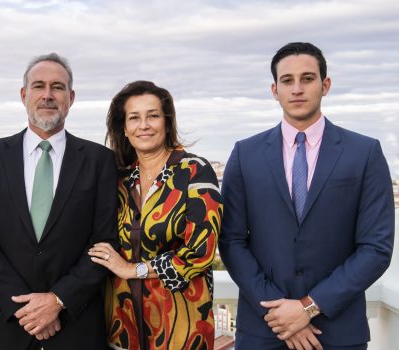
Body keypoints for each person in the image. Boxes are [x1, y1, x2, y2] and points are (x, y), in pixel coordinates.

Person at [219, 42, 394, 350]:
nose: (297, 88)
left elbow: (376, 247)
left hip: (337, 334)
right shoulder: (245, 154)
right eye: (287, 80)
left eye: (308, 78)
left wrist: (309, 307)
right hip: (264, 331)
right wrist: (279, 313)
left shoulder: (364, 153)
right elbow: (231, 241)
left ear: (325, 85)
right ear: (275, 90)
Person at [0, 53, 118, 350]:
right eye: (39, 86)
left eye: (57, 87)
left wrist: (58, 300)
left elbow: (105, 242)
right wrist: (27, 310)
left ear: (71, 98)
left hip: (77, 329)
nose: (48, 95)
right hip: (8, 328)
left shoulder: (99, 161)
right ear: (24, 95)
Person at [89, 80, 222, 349]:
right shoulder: (119, 179)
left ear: (167, 122)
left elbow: (200, 252)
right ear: (124, 128)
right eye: (134, 118)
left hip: (182, 330)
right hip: (122, 329)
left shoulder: (194, 171)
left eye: (153, 116)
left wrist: (131, 269)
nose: (144, 125)